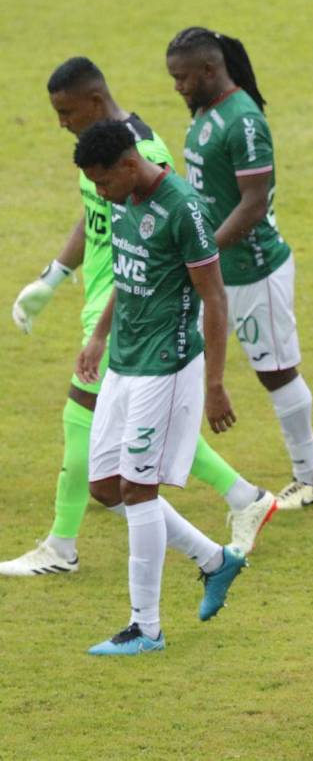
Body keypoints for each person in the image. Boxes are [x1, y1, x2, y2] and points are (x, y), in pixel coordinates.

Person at [1, 58, 275, 577]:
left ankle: (62, 546)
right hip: (112, 308)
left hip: (140, 314)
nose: (60, 121)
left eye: (65, 111)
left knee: (82, 418)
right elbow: (93, 214)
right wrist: (54, 276)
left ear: (95, 102)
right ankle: (246, 498)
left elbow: (183, 254)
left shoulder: (142, 157)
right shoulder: (104, 158)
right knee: (139, 430)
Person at [72, 120, 247, 655]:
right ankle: (216, 560)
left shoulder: (183, 210)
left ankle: (145, 627)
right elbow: (128, 275)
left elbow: (215, 299)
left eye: (102, 183)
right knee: (103, 486)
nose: (99, 195)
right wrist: (99, 337)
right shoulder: (124, 199)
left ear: (128, 166)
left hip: (167, 367)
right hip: (124, 361)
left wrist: (215, 383)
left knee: (136, 489)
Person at [165, 27, 313, 510]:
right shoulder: (204, 112)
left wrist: (203, 250)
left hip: (253, 270)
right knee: (177, 360)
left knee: (275, 372)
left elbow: (254, 205)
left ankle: (311, 476)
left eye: (183, 77)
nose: (177, 86)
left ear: (211, 71)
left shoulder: (244, 122)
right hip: (214, 268)